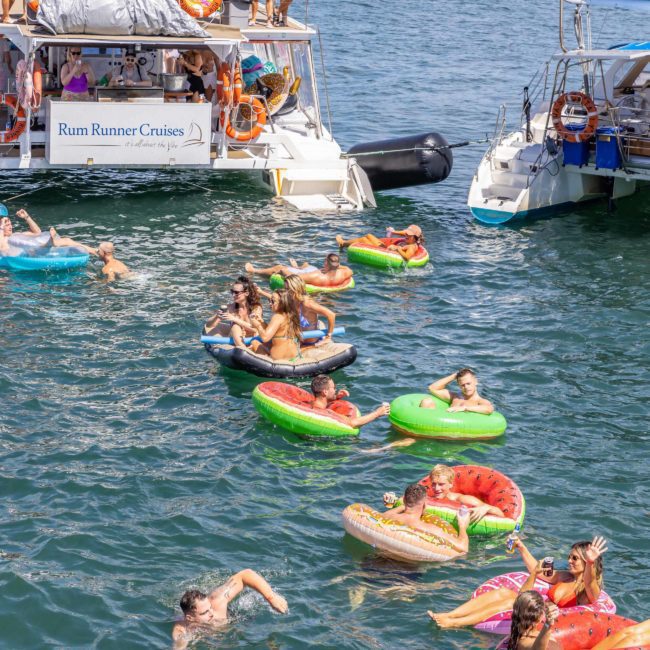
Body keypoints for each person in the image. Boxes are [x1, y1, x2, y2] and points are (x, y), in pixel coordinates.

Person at [427, 536, 608, 628]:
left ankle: (454, 623)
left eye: (575, 558)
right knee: (504, 593)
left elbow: (590, 581)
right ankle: (450, 614)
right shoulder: (565, 576)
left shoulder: (588, 590)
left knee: (510, 601)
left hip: (545, 618)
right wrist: (521, 547)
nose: (569, 561)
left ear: (586, 562)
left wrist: (591, 563)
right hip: (537, 607)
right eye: (569, 557)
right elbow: (536, 571)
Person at [171, 569, 288, 650]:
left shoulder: (217, 602)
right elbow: (179, 642)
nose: (211, 613)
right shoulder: (183, 627)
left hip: (234, 619)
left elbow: (245, 575)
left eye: (209, 608)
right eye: (204, 612)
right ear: (190, 618)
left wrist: (271, 597)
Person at [391, 464, 504, 523]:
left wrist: (486, 508)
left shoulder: (461, 499)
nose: (436, 488)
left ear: (450, 484)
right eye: (434, 484)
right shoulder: (427, 498)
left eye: (441, 484)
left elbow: (501, 515)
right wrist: (392, 502)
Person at [381, 483, 470, 554]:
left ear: (404, 500)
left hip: (378, 560)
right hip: (407, 571)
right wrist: (462, 526)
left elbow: (386, 514)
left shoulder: (388, 516)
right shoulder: (430, 529)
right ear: (424, 504)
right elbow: (463, 548)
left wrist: (404, 505)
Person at [225, 289, 300, 360]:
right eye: (269, 300)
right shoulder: (291, 315)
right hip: (293, 356)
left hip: (278, 358)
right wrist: (262, 322)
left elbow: (265, 338)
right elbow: (276, 332)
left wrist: (257, 325)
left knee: (254, 342)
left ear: (282, 303)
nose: (270, 303)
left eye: (273, 301)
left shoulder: (277, 317)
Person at [311, 374, 390, 428]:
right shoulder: (327, 412)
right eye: (333, 387)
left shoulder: (311, 404)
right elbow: (352, 423)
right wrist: (378, 413)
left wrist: (335, 397)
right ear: (325, 392)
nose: (335, 390)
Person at [204, 276, 263, 348]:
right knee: (235, 326)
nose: (233, 295)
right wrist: (216, 316)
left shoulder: (256, 308)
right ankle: (243, 349)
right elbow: (209, 326)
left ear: (246, 293)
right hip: (236, 340)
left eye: (236, 292)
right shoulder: (230, 308)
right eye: (232, 292)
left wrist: (234, 319)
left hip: (252, 339)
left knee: (236, 323)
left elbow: (257, 328)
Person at [245, 253, 353, 289]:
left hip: (309, 278)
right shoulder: (343, 273)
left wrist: (283, 271)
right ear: (338, 265)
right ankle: (299, 267)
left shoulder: (317, 276)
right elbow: (349, 270)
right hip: (326, 276)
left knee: (278, 267)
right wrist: (333, 268)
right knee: (306, 265)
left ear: (326, 263)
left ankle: (254, 270)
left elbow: (294, 278)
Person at [282, 274, 336, 345]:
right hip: (300, 340)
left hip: (311, 342)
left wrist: (328, 337)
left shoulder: (307, 304)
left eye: (287, 289)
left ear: (295, 288)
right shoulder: (293, 300)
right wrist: (262, 293)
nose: (285, 292)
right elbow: (276, 300)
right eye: (285, 289)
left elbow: (331, 315)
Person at [421, 367, 494, 414]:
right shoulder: (455, 397)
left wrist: (464, 408)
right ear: (459, 385)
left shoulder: (479, 401)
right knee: (427, 402)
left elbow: (489, 409)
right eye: (462, 385)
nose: (466, 387)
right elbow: (432, 388)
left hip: (459, 432)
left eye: (468, 383)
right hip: (442, 425)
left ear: (476, 381)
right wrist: (455, 376)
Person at [335, 224, 424, 262]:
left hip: (386, 252)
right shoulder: (410, 239)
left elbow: (407, 257)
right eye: (406, 233)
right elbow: (403, 232)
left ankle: (342, 243)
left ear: (415, 238)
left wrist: (398, 248)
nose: (406, 235)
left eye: (409, 235)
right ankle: (343, 243)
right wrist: (393, 232)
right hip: (387, 248)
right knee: (369, 235)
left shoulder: (412, 246)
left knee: (364, 240)